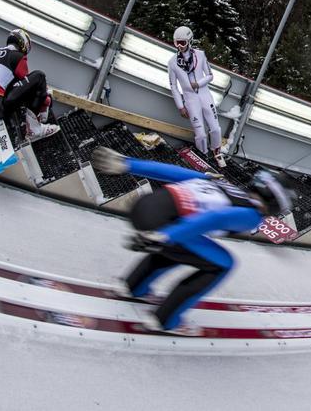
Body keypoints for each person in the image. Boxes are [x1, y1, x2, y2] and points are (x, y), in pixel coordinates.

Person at [91, 146, 293, 332]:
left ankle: (134, 287)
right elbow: (214, 219)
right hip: (162, 224)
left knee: (185, 249)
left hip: (146, 206)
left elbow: (176, 173)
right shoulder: (251, 216)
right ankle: (165, 320)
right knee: (223, 264)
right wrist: (166, 236)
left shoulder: (223, 184)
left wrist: (128, 164)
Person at [0, 28, 59, 142]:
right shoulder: (18, 57)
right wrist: (45, 100)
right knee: (39, 76)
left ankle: (38, 119)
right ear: (24, 45)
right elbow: (29, 87)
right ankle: (34, 130)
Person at [168, 26, 222, 161]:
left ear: (189, 41)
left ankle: (217, 151)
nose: (180, 46)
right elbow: (173, 86)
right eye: (177, 43)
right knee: (201, 134)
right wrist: (180, 106)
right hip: (190, 99)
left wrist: (199, 83)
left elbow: (210, 75)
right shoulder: (172, 62)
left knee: (215, 129)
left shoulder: (200, 55)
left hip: (205, 95)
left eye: (183, 43)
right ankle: (203, 155)